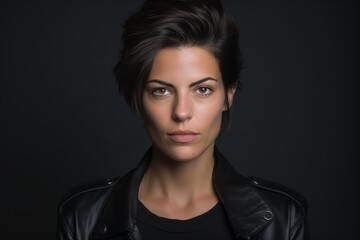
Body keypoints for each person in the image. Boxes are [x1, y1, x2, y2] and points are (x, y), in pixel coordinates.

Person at [56, 0, 309, 239]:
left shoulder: (283, 218)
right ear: (139, 99)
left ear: (228, 96)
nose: (182, 112)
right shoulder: (83, 216)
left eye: (203, 89)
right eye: (161, 90)